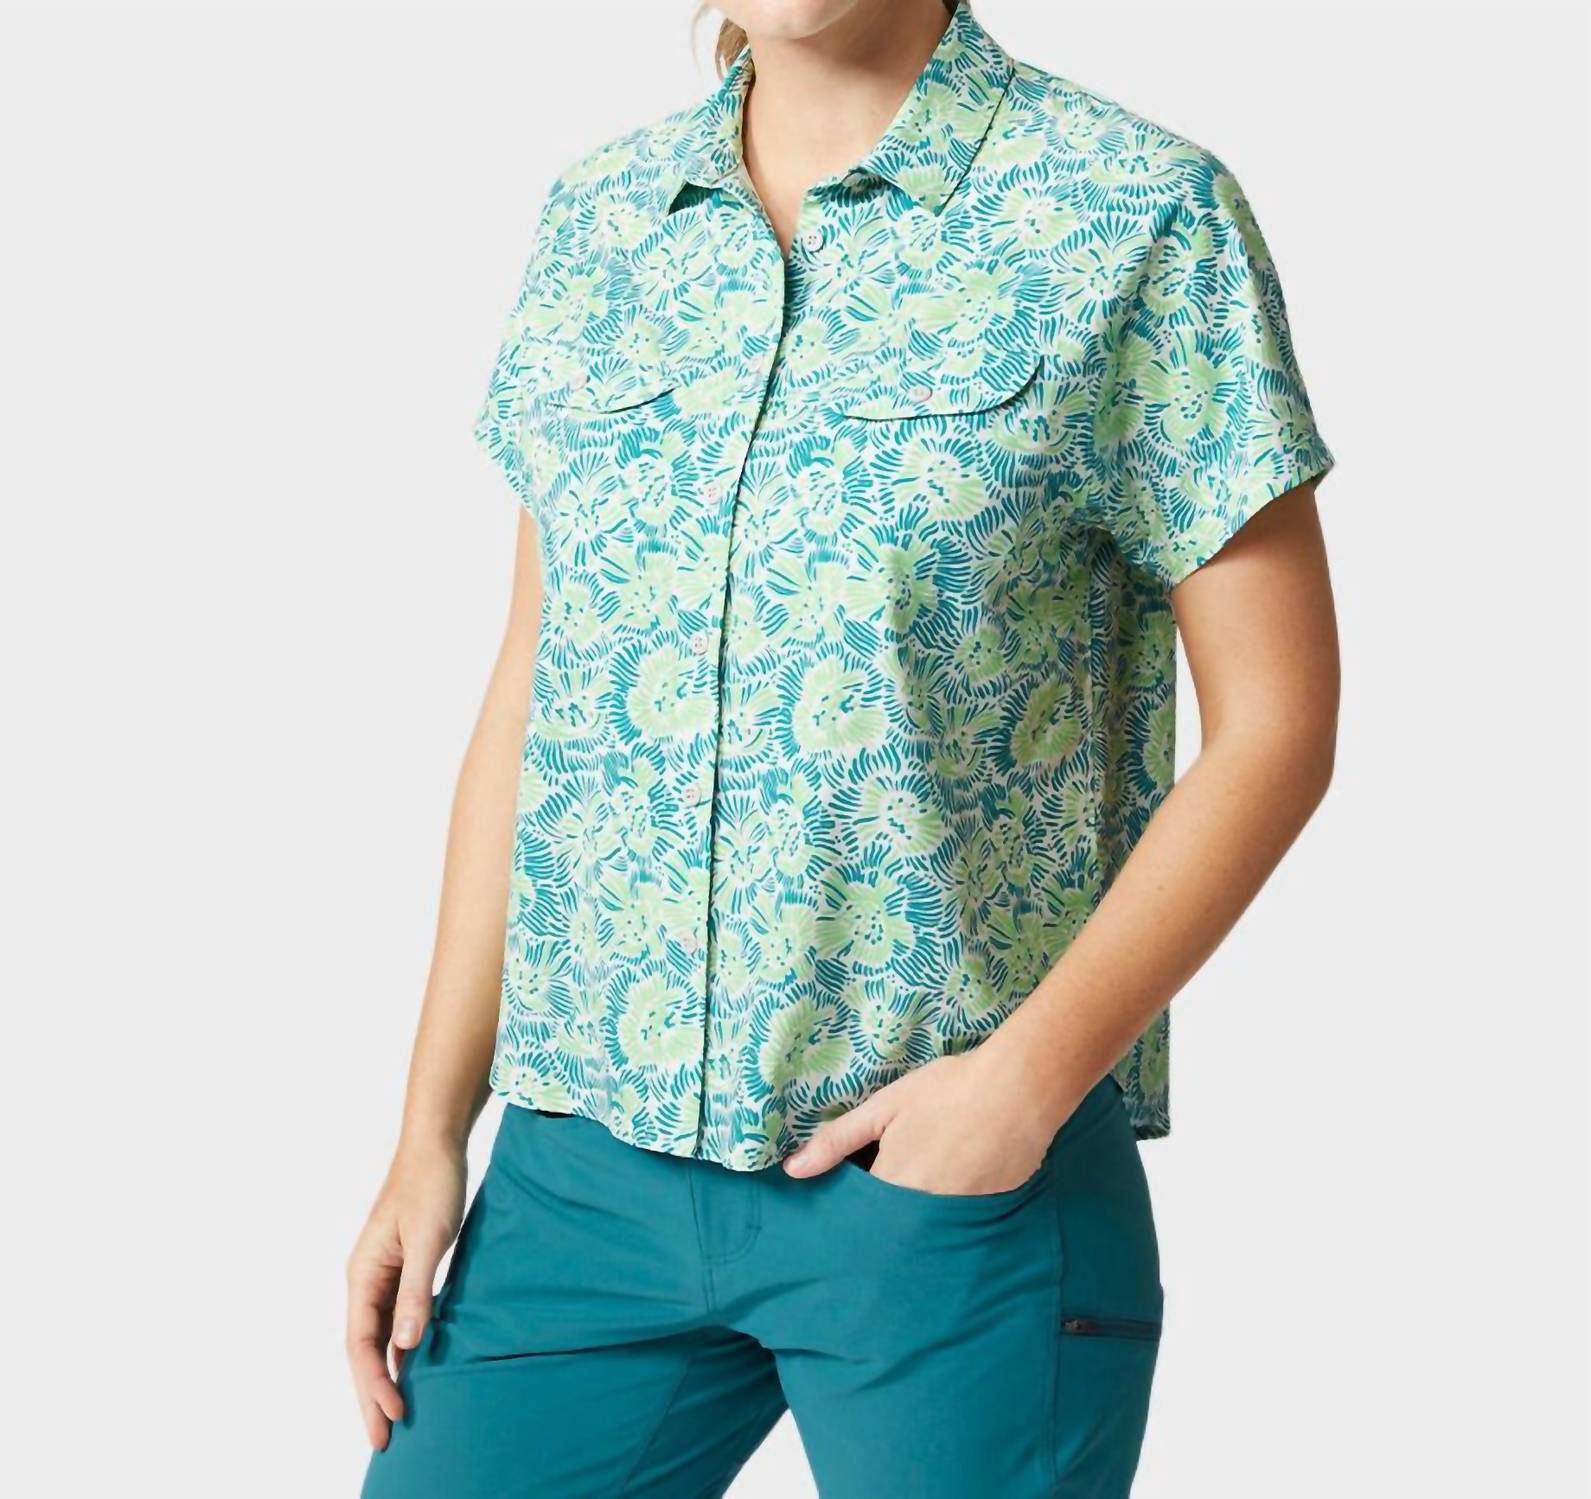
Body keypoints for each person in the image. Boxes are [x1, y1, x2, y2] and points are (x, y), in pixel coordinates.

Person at [348, 1, 1340, 1493]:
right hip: (580, 1183)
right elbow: (537, 696)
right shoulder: (603, 222)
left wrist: (1014, 1093)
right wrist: (432, 1129)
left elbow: (1278, 724)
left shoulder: (1136, 212)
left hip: (944, 1190)